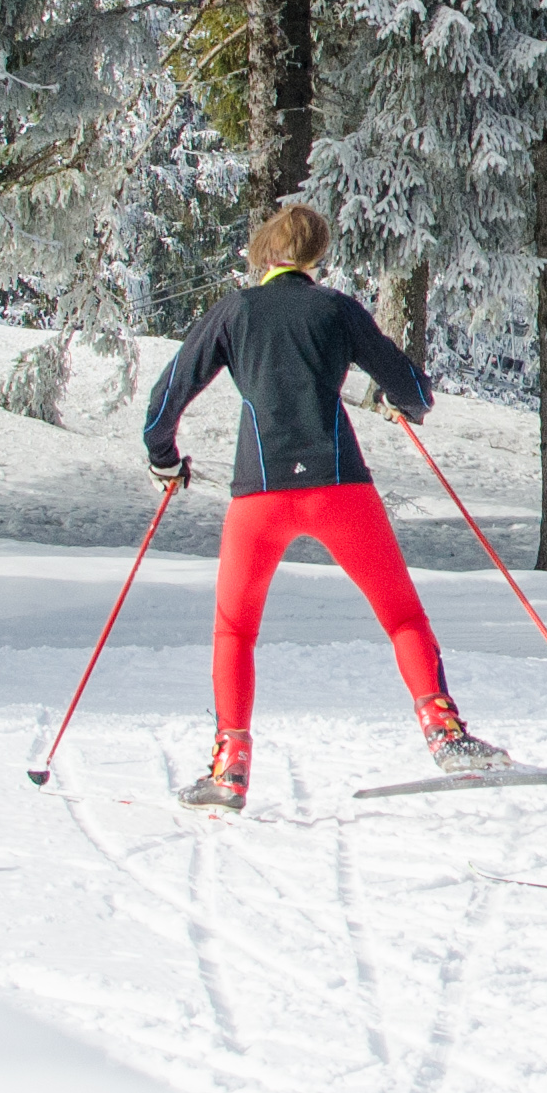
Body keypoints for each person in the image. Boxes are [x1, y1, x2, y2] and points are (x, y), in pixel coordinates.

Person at [141, 202, 500, 807]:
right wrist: (402, 405)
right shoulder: (336, 309)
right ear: (316, 255)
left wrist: (164, 458)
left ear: (263, 255)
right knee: (402, 617)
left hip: (259, 494)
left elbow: (165, 397)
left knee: (234, 628)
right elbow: (411, 387)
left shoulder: (236, 312)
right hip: (340, 487)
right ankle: (445, 734)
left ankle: (230, 767)